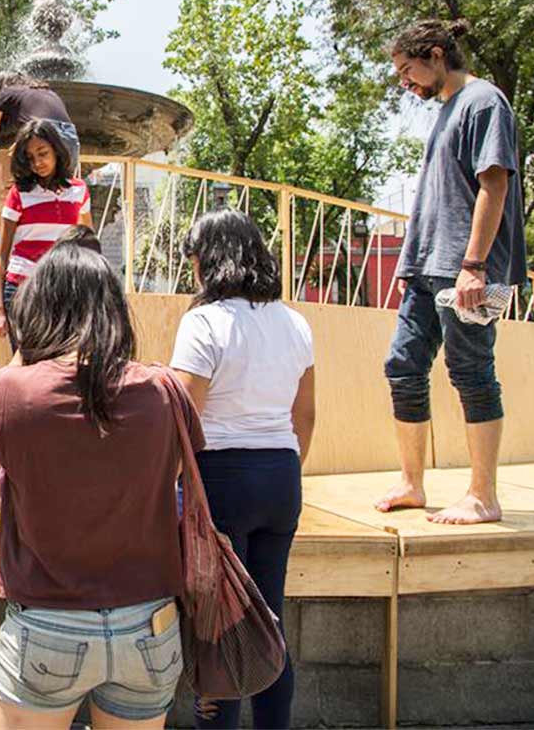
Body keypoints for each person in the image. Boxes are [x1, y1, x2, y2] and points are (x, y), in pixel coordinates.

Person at [0, 243, 202, 730]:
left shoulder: (11, 389)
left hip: (47, 623)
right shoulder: (163, 389)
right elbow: (178, 469)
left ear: (38, 309)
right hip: (150, 625)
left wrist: (18, 359)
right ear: (113, 308)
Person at [169, 210, 315, 730]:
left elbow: (185, 415)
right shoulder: (294, 321)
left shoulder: (204, 322)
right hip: (281, 475)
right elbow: (305, 415)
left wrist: (172, 486)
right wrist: (286, 468)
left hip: (221, 479)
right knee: (267, 618)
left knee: (219, 624)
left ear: (209, 259)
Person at [378, 18, 526, 525]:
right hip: (426, 266)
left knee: (470, 372)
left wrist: (475, 267)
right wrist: (410, 262)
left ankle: (483, 495)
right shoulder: (447, 111)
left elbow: (494, 186)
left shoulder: (485, 102)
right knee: (402, 366)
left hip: (464, 268)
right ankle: (412, 484)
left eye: (408, 69)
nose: (405, 82)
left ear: (437, 54)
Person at [0, 119, 91, 347]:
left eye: (42, 153)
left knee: (62, 365)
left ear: (56, 149)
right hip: (22, 290)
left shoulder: (79, 191)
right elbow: (2, 254)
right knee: (27, 367)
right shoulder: (19, 194)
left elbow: (88, 246)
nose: (37, 163)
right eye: (30, 158)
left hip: (65, 290)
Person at [0, 70, 80, 166]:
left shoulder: (4, 94)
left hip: (44, 133)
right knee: (64, 186)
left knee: (28, 182)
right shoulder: (47, 92)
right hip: (70, 136)